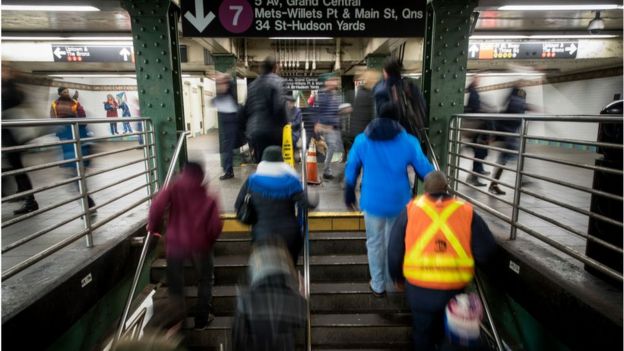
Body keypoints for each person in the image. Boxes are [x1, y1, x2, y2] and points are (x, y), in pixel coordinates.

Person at [388, 171, 496, 351]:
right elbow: (486, 251)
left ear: (425, 190)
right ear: (447, 188)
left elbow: (394, 249)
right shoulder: (466, 211)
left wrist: (397, 277)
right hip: (454, 291)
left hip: (419, 290)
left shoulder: (410, 210)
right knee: (453, 339)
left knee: (422, 335)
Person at [344, 101, 434, 297]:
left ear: (377, 116)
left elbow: (352, 167)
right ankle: (393, 282)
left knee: (374, 242)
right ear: (397, 119)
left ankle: (377, 284)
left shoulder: (362, 140)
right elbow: (425, 170)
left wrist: (349, 190)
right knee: (395, 243)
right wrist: (436, 189)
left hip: (372, 201)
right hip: (399, 202)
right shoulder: (408, 141)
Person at [147, 161, 223, 330]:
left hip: (175, 245)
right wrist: (208, 242)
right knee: (205, 279)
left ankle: (178, 321)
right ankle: (201, 319)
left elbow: (156, 206)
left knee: (176, 283)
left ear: (183, 172)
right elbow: (216, 226)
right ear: (201, 176)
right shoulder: (208, 197)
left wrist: (153, 228)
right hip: (200, 245)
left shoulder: (173, 188)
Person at [235, 146, 317, 264]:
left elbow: (238, 206)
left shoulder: (252, 181)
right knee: (289, 268)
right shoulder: (292, 181)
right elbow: (307, 204)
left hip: (262, 236)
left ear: (263, 161)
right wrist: (313, 196)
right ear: (281, 161)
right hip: (289, 237)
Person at [232, 238, 307, 351]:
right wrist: (302, 296)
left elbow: (237, 338)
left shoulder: (246, 300)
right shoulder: (295, 301)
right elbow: (301, 322)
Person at [50, 86, 97, 211]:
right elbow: (53, 120)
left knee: (76, 178)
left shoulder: (75, 104)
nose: (66, 93)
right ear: (59, 93)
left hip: (74, 142)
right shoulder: (55, 105)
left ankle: (88, 204)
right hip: (69, 143)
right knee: (75, 178)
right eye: (64, 92)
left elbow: (82, 119)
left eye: (67, 92)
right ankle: (88, 203)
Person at [2, 65, 39, 214]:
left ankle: (29, 200)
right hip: (10, 137)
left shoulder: (11, 90)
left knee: (17, 169)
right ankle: (24, 195)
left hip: (12, 137)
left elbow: (11, 102)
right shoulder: (9, 88)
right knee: (15, 169)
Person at [243, 56, 287, 163]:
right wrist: (285, 126)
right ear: (274, 68)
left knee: (261, 163)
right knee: (274, 162)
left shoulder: (252, 85)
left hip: (255, 132)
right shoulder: (278, 82)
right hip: (272, 131)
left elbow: (247, 109)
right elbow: (279, 107)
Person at [488, 86, 529, 195]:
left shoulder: (515, 107)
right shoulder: (515, 106)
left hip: (509, 137)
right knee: (505, 160)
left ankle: (494, 184)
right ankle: (521, 180)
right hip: (507, 137)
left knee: (505, 161)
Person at [464, 76, 493, 187]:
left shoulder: (473, 91)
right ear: (474, 80)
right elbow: (474, 108)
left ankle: (474, 175)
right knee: (480, 152)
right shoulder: (473, 92)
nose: (479, 81)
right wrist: (483, 111)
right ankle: (474, 176)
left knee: (480, 152)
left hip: (476, 128)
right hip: (476, 127)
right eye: (477, 79)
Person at [314, 73, 343, 180]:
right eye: (332, 80)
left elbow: (336, 111)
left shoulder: (335, 95)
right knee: (332, 146)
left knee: (334, 147)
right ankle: (326, 170)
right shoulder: (322, 94)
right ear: (327, 82)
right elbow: (319, 111)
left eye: (335, 80)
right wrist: (320, 125)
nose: (335, 82)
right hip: (327, 127)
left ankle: (327, 169)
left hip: (335, 126)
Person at [214, 73, 241, 180]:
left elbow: (230, 85)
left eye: (221, 83)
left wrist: (226, 78)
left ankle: (229, 171)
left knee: (227, 149)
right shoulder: (225, 96)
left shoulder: (229, 95)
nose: (219, 85)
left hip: (230, 125)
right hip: (228, 125)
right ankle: (228, 170)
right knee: (227, 148)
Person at [344, 70, 379, 154]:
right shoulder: (367, 95)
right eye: (375, 80)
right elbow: (369, 116)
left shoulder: (362, 92)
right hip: (364, 133)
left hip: (360, 133)